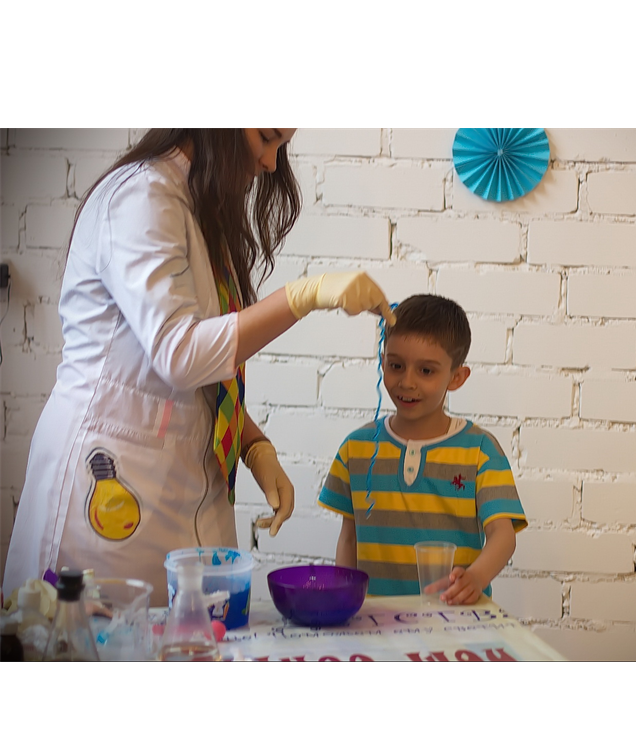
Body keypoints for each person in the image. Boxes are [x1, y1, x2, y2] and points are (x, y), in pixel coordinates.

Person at [3, 128, 394, 606]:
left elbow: (201, 366)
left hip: (183, 475)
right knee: (91, 630)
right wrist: (302, 297)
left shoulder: (198, 204)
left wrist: (250, 442)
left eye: (282, 146)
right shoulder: (141, 197)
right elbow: (180, 354)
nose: (271, 162)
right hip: (111, 470)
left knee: (192, 627)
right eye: (267, 137)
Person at [318, 294, 527, 605]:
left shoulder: (480, 450)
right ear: (383, 361)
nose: (407, 382)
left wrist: (476, 577)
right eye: (396, 365)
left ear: (456, 377)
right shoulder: (356, 448)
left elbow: (503, 535)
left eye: (426, 371)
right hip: (375, 621)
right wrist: (343, 598)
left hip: (455, 618)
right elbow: (349, 538)